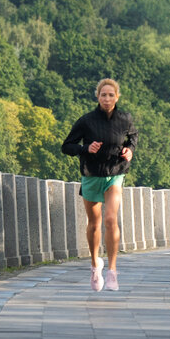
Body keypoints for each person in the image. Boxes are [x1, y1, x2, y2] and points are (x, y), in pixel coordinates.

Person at [61, 78, 138, 291]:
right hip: (91, 174)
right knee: (94, 223)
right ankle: (96, 265)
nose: (107, 98)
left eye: (111, 95)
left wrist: (130, 150)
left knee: (111, 219)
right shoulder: (86, 121)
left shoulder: (125, 119)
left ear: (117, 97)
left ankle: (112, 271)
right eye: (103, 95)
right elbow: (66, 146)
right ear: (98, 96)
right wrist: (86, 149)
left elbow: (132, 137)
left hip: (115, 173)